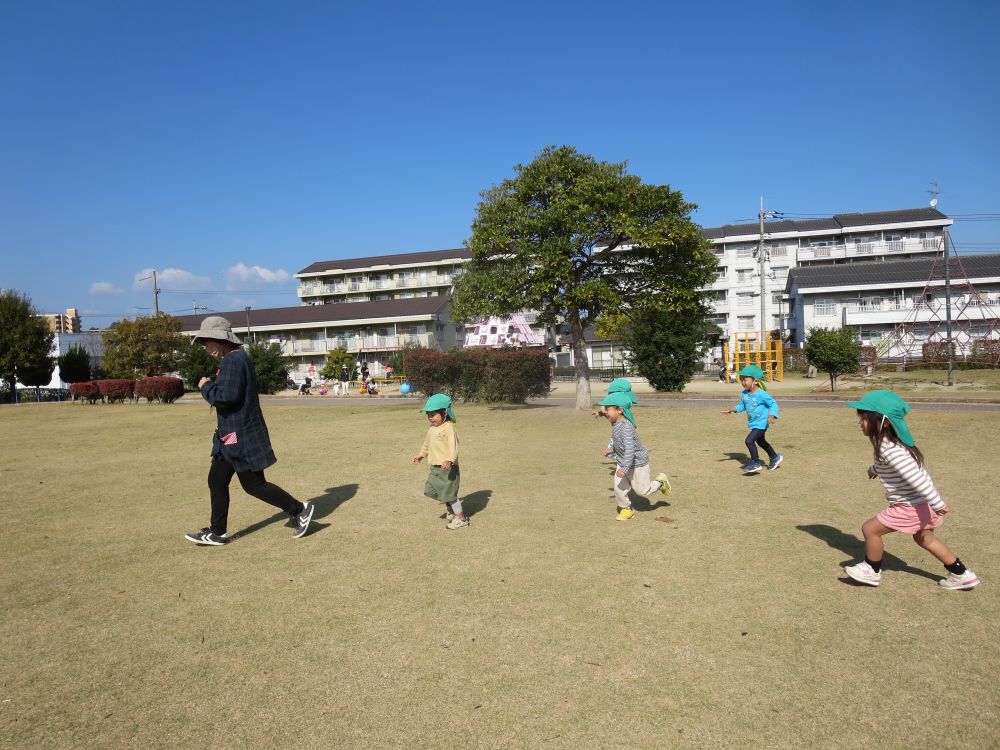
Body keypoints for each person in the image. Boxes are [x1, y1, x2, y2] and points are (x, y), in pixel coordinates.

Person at [184, 316, 314, 546]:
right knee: (217, 479)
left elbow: (226, 397)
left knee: (254, 485)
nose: (206, 348)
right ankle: (217, 532)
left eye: (207, 342)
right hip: (230, 436)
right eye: (204, 343)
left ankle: (299, 509)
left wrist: (206, 387)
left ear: (220, 340)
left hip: (239, 436)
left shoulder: (233, 361)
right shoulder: (235, 359)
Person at [842, 391, 980, 590]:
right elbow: (895, 467)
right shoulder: (889, 446)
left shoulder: (891, 449)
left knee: (870, 529)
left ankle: (871, 569)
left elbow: (918, 478)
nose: (860, 423)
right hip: (920, 504)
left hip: (909, 505)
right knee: (925, 538)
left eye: (864, 418)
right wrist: (875, 469)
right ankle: (961, 574)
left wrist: (937, 502)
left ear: (884, 422)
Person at [596, 391, 670, 521]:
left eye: (607, 409)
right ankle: (626, 509)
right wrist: (612, 450)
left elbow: (630, 450)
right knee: (619, 488)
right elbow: (620, 443)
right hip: (623, 461)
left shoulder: (626, 427)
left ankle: (660, 482)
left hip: (637, 463)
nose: (605, 411)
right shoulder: (615, 422)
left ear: (620, 410)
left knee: (643, 491)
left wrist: (624, 468)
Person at [412, 393, 467, 529]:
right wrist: (421, 455)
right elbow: (426, 444)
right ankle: (451, 508)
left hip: (449, 469)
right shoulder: (431, 429)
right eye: (428, 414)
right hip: (435, 468)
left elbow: (453, 447)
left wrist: (449, 460)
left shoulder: (449, 429)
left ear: (445, 412)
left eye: (434, 414)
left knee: (450, 494)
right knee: (430, 491)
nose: (430, 417)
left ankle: (461, 518)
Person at [721, 365, 782, 474]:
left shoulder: (761, 394)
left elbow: (773, 403)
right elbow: (742, 406)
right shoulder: (744, 394)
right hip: (754, 423)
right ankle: (775, 457)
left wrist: (772, 415)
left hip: (762, 422)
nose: (743, 382)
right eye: (741, 380)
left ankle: (755, 462)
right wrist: (733, 409)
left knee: (749, 441)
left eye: (745, 380)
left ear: (755, 380)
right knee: (761, 442)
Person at [592, 378, 636, 462]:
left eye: (611, 393)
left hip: (623, 432)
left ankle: (625, 463)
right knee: (620, 450)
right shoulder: (615, 404)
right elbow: (606, 411)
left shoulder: (622, 405)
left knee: (625, 449)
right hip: (617, 432)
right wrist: (600, 413)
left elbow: (606, 410)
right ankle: (622, 461)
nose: (609, 394)